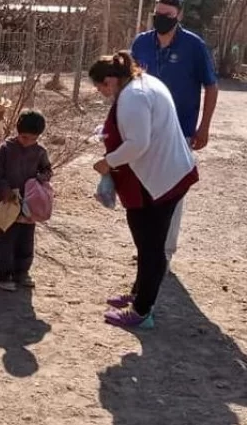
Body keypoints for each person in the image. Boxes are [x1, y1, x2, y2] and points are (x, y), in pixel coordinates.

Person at [90, 51, 199, 328]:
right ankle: (139, 291)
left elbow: (138, 143)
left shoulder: (133, 97)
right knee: (144, 240)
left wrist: (107, 163)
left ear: (112, 80)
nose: (101, 93)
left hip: (162, 180)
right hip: (163, 173)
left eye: (101, 86)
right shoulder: (143, 83)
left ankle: (141, 311)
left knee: (151, 246)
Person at [131, 0, 218, 264]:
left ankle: (164, 252)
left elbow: (211, 87)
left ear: (179, 15)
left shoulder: (194, 46)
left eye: (167, 15)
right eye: (157, 14)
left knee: (172, 192)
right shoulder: (141, 43)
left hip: (180, 131)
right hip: (144, 130)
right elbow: (129, 83)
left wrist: (204, 127)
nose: (161, 19)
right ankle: (146, 248)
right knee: (143, 190)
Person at [0, 110, 52, 292]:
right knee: (6, 240)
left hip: (29, 205)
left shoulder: (40, 152)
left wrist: (42, 177)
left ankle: (22, 272)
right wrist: (5, 190)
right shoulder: (5, 150)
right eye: (24, 137)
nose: (28, 142)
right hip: (7, 204)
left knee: (26, 239)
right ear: (18, 132)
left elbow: (47, 170)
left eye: (33, 139)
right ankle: (2, 275)